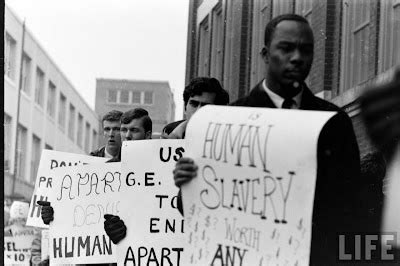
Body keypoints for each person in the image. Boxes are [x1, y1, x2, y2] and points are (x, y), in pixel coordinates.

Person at [173, 14, 361, 265]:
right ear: (264, 54)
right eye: (285, 48)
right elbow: (200, 211)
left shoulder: (333, 121)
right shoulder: (227, 122)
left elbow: (351, 207)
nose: (297, 57)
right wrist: (187, 185)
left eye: (305, 50)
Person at [161, 77, 229, 139]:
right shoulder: (170, 131)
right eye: (194, 104)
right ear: (185, 107)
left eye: (205, 106)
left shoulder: (226, 136)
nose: (198, 111)